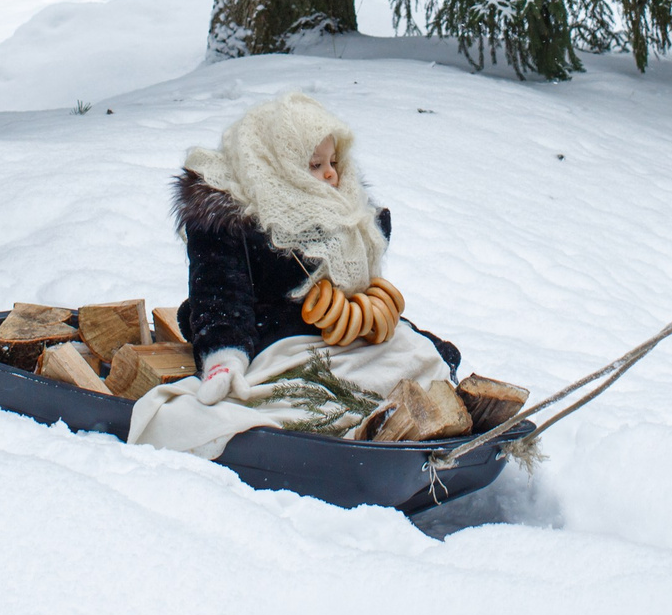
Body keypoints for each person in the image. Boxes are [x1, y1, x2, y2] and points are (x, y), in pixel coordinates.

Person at [130, 92, 460, 457]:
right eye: (314, 164)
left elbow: (364, 296)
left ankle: (419, 410)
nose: (331, 173)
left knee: (417, 354)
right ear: (275, 165)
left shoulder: (348, 216)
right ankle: (348, 433)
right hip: (275, 338)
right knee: (313, 397)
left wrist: (387, 322)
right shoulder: (234, 222)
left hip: (345, 335)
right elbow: (221, 294)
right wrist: (225, 357)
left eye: (333, 161)